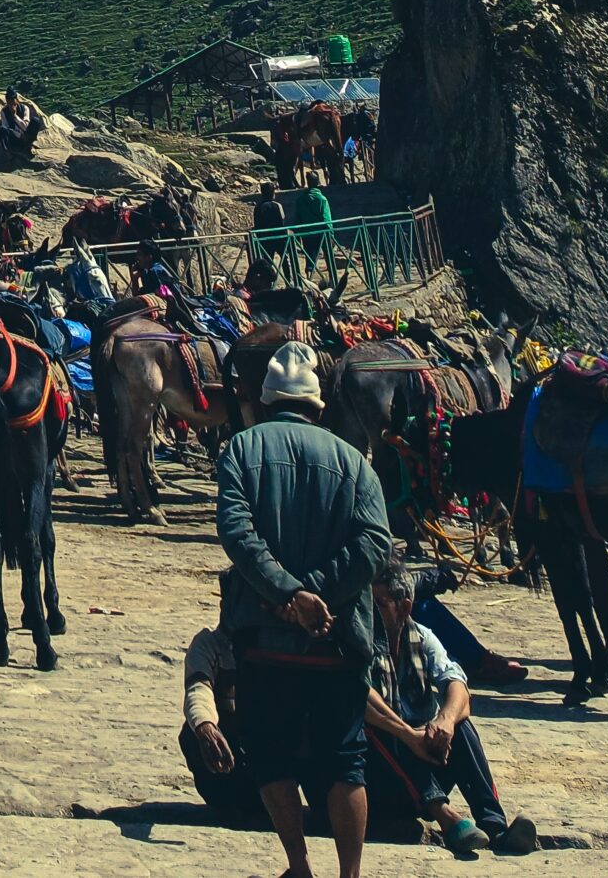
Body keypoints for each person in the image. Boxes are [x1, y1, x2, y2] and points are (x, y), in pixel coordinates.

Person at [216, 339, 394, 878]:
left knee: (269, 755)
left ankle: (298, 864)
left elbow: (237, 533)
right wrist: (317, 594)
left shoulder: (239, 452)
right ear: (319, 407)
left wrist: (287, 595)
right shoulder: (355, 462)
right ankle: (350, 875)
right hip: (338, 643)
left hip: (265, 640)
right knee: (346, 760)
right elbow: (374, 543)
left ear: (265, 403)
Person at [366, 563, 537, 855]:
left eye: (379, 604)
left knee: (461, 725)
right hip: (378, 773)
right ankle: (447, 819)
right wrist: (410, 736)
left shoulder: (422, 637)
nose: (370, 611)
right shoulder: (360, 640)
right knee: (379, 728)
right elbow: (361, 698)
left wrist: (444, 721)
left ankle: (494, 826)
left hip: (422, 761)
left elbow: (457, 685)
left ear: (404, 607)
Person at [180, 623, 267, 823]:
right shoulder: (208, 643)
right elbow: (198, 688)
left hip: (271, 747)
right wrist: (205, 726)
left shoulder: (279, 641)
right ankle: (226, 802)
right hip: (232, 748)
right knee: (192, 733)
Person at [0, 89, 44, 160]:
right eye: (9, 101)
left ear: (16, 99)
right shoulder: (4, 111)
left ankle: (29, 146)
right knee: (1, 129)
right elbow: (6, 127)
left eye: (13, 100)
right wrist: (19, 135)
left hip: (27, 136)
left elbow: (25, 126)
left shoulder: (25, 108)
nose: (11, 103)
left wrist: (15, 116)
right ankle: (8, 152)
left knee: (35, 121)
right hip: (15, 138)